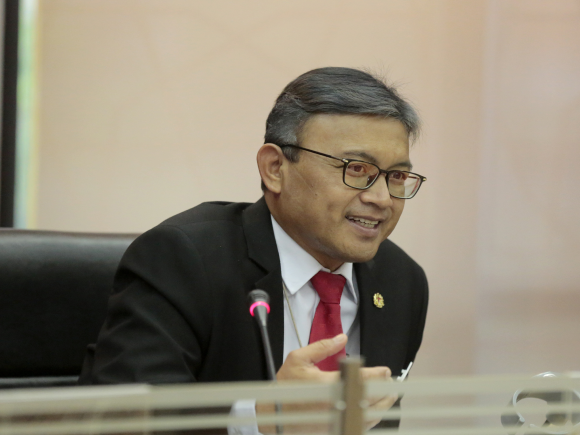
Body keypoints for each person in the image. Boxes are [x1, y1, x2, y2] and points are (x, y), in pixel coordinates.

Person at [79, 67, 429, 431]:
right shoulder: (184, 259)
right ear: (275, 168)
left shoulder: (402, 281)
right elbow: (120, 421)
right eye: (356, 169)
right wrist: (258, 418)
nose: (381, 199)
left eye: (397, 176)